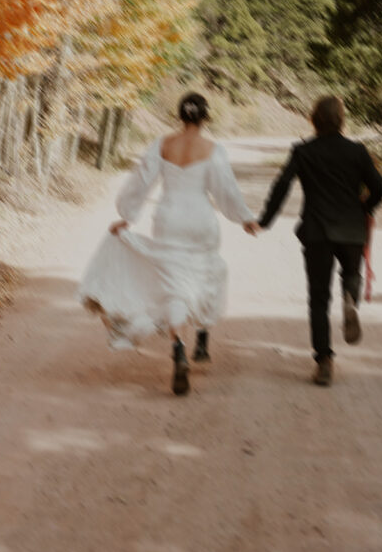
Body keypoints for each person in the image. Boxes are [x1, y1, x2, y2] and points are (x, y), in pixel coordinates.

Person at [79, 92, 258, 396]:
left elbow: (140, 181)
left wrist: (128, 216)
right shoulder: (213, 150)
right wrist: (244, 218)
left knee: (173, 283)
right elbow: (225, 190)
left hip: (169, 218)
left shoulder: (162, 145)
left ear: (180, 116)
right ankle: (202, 336)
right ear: (205, 118)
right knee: (203, 273)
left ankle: (178, 346)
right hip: (200, 220)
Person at [257, 95, 382, 387]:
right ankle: (350, 297)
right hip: (352, 230)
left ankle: (324, 361)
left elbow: (282, 186)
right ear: (341, 119)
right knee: (351, 274)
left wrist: (265, 221)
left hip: (317, 232)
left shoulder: (303, 151)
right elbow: (379, 187)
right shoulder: (357, 151)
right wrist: (365, 207)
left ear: (313, 119)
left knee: (318, 299)